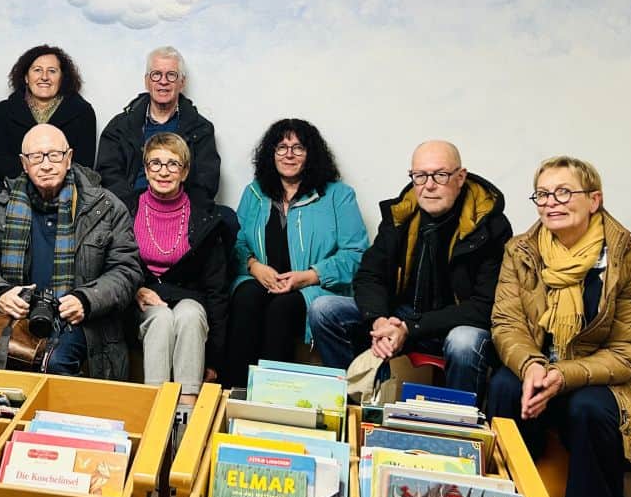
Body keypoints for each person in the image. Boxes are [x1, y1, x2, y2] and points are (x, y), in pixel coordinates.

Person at [488, 157, 631, 497]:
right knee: (503, 387)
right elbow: (507, 323)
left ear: (594, 200)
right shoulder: (521, 251)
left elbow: (630, 350)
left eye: (564, 192)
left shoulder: (628, 260)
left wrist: (561, 375)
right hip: (539, 365)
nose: (551, 202)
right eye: (543, 194)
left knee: (590, 408)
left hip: (603, 376)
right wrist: (532, 367)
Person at [308, 140, 511, 399]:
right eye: (420, 176)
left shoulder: (491, 226)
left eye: (440, 175)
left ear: (460, 177)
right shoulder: (401, 214)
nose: (429, 185)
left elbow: (484, 306)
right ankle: (359, 403)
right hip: (402, 317)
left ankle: (458, 419)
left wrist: (409, 328)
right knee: (324, 309)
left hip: (458, 323)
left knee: (464, 342)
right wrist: (380, 320)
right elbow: (369, 275)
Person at [0, 124, 141, 379]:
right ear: (24, 164)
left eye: (54, 155)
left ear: (68, 158)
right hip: (20, 315)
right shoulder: (4, 203)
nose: (46, 165)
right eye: (37, 157)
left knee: (56, 363)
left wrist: (86, 300)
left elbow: (126, 271)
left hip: (82, 320)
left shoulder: (105, 207)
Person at [0, 44, 96, 323]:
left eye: (52, 71)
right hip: (9, 185)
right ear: (25, 77)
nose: (44, 76)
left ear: (63, 77)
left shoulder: (81, 111)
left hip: (61, 185)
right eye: (37, 70)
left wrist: (46, 174)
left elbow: (84, 163)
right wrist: (29, 175)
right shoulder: (4, 110)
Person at [224, 120, 368, 387]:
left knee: (281, 308)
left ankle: (271, 396)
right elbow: (236, 242)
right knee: (245, 297)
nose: (289, 154)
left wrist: (309, 276)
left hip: (311, 287)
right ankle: (233, 392)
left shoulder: (338, 195)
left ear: (311, 154)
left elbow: (356, 253)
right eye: (281, 147)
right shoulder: (254, 193)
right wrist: (254, 266)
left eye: (298, 148)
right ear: (271, 153)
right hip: (260, 280)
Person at [130, 133, 228, 405]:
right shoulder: (126, 208)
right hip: (139, 303)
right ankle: (157, 406)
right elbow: (112, 265)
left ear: (184, 172)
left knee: (189, 315)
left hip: (191, 300)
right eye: (155, 163)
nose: (163, 172)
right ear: (146, 169)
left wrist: (215, 359)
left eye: (173, 164)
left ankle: (187, 409)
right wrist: (135, 288)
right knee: (161, 319)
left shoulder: (206, 216)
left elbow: (217, 289)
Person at [96, 45, 221, 208]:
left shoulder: (201, 129)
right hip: (130, 210)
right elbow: (107, 175)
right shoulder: (119, 127)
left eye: (171, 75)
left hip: (181, 211)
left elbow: (206, 182)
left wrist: (178, 208)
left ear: (182, 82)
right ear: (147, 81)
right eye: (156, 74)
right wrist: (135, 207)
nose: (163, 81)